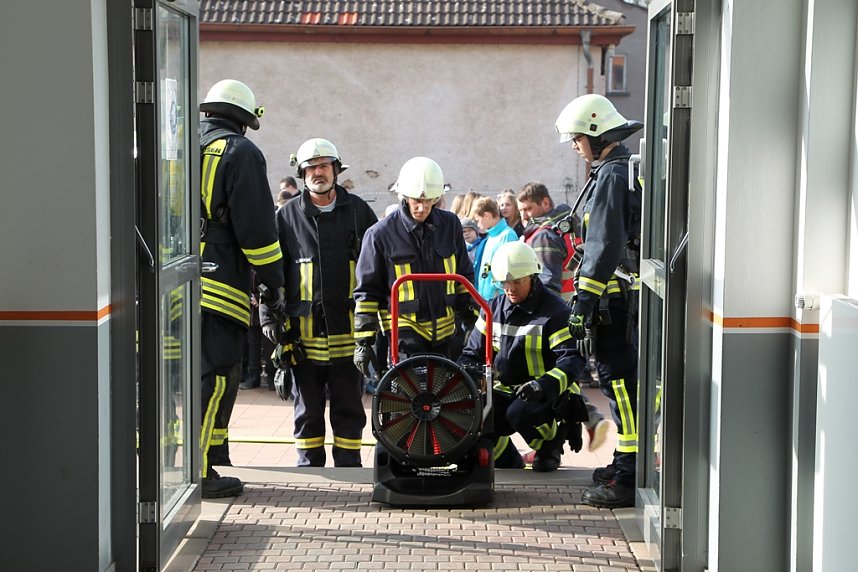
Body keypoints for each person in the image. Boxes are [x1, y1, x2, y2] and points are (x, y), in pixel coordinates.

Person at [260, 138, 378, 467]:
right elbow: (271, 272)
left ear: (336, 170)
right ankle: (309, 472)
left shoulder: (358, 212)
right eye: (311, 167)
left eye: (324, 165)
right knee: (307, 410)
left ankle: (349, 469)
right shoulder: (287, 216)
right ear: (301, 173)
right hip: (303, 337)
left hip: (347, 335)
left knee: (350, 409)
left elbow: (375, 269)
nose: (318, 172)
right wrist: (269, 319)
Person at [555, 93, 643, 508]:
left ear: (594, 132)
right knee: (618, 385)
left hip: (616, 303)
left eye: (577, 138)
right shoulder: (611, 169)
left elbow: (606, 243)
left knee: (620, 386)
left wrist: (583, 303)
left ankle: (628, 476)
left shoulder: (610, 175)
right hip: (619, 300)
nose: (575, 146)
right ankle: (627, 462)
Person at [198, 79, 284, 498]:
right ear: (245, 121)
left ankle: (184, 466)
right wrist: (273, 283)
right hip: (217, 287)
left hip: (165, 284)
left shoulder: (175, 144)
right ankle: (200, 473)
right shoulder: (240, 152)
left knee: (169, 381)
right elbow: (257, 232)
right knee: (215, 376)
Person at [458, 242, 588, 472]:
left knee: (520, 413)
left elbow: (572, 360)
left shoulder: (554, 312)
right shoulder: (493, 308)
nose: (510, 288)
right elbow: (472, 353)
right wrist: (468, 372)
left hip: (547, 392)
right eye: (505, 282)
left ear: (533, 277)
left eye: (517, 281)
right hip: (506, 388)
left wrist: (542, 385)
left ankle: (551, 445)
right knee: (473, 412)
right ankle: (505, 456)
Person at [353, 157, 476, 371]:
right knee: (412, 398)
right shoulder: (379, 234)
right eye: (415, 201)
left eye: (429, 201)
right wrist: (363, 342)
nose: (422, 207)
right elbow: (367, 291)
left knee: (448, 397)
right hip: (403, 336)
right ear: (403, 196)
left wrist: (473, 319)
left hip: (446, 334)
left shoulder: (450, 224)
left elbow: (463, 274)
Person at [516, 182, 610, 453]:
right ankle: (590, 418)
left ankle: (559, 436)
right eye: (522, 209)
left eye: (528, 208)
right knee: (559, 373)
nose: (524, 214)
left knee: (546, 375)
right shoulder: (569, 226)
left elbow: (547, 282)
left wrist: (534, 312)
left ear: (545, 204)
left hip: (552, 315)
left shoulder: (545, 235)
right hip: (570, 311)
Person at [471, 196, 519, 301]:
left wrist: (498, 291)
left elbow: (509, 270)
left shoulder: (507, 235)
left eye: (478, 220)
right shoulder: (490, 238)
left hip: (499, 300)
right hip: (486, 300)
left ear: (487, 215)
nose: (478, 225)